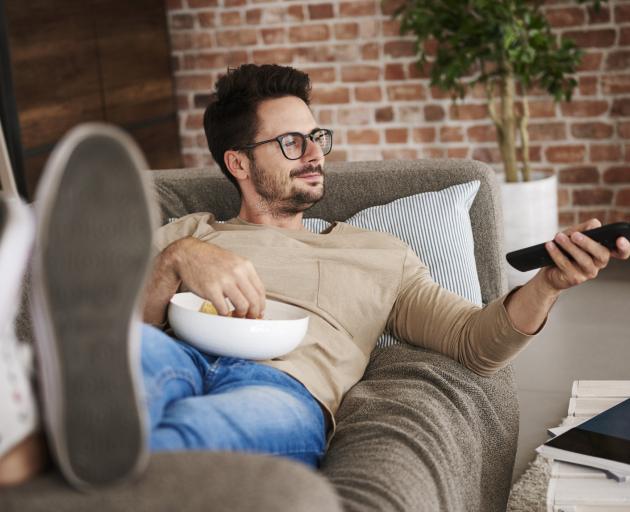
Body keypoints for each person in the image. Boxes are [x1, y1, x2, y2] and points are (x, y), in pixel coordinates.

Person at [0, 63, 629, 491]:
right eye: (293, 143)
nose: (317, 154)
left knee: (192, 436)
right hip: (176, 354)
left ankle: (39, 463)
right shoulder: (187, 234)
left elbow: (474, 343)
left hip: (285, 390)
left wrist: (545, 285)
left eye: (317, 137)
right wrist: (173, 263)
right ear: (239, 162)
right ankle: (40, 429)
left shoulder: (381, 253)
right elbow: (119, 328)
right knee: (125, 363)